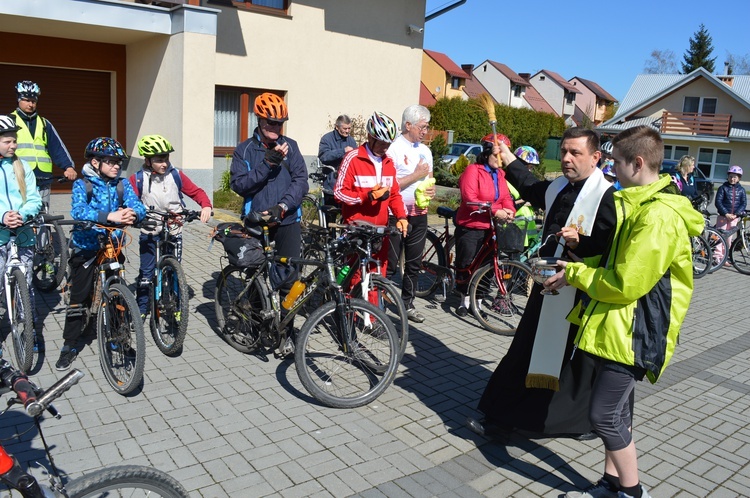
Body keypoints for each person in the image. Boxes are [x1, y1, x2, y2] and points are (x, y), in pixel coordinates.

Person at [552, 125, 704, 498]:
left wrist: (574, 272)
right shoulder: (639, 205)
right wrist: (577, 266)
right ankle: (612, 481)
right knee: (616, 414)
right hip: (616, 327)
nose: (611, 171)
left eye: (616, 163)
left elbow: (625, 284)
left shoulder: (657, 218)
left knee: (603, 415)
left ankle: (632, 492)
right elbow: (616, 263)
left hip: (636, 332)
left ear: (637, 163)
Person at [466, 127, 617, 439]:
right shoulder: (560, 187)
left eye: (575, 153)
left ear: (596, 157)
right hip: (548, 285)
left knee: (573, 363)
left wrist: (580, 243)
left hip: (578, 291)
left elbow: (609, 247)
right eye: (563, 151)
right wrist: (508, 159)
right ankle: (508, 416)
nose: (566, 158)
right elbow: (532, 186)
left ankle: (566, 422)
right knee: (528, 351)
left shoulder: (607, 196)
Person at [57, 137, 146, 371]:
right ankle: (70, 344)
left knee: (119, 291)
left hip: (112, 246)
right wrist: (109, 216)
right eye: (111, 161)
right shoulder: (83, 184)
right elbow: (78, 210)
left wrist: (132, 214)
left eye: (119, 162)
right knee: (80, 296)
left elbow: (138, 205)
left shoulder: (122, 184)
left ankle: (118, 338)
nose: (117, 166)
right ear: (96, 162)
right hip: (86, 246)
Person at [130, 134, 213, 318]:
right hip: (150, 229)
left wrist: (205, 205)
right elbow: (128, 202)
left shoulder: (176, 175)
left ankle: (175, 305)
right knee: (146, 272)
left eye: (166, 158)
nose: (164, 163)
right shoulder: (137, 179)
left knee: (174, 270)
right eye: (159, 160)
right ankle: (142, 308)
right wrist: (133, 216)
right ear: (148, 160)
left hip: (174, 227)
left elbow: (196, 192)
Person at [230, 93, 309, 285]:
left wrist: (283, 206)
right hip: (257, 220)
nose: (275, 127)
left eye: (279, 123)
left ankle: (283, 315)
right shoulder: (244, 150)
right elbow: (239, 185)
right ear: (259, 119)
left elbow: (301, 181)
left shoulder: (291, 146)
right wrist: (267, 164)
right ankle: (253, 311)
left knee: (288, 277)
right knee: (256, 278)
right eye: (271, 122)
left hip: (287, 218)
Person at [334, 111, 408, 276]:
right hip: (357, 230)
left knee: (376, 279)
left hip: (379, 232)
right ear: (370, 137)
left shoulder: (389, 162)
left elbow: (395, 194)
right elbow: (339, 193)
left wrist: (401, 217)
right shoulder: (353, 158)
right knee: (353, 279)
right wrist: (366, 196)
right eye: (382, 143)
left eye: (388, 144)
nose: (385, 148)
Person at [453, 135, 516, 317]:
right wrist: (496, 211)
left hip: (490, 227)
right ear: (488, 153)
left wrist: (510, 210)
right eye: (497, 155)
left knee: (488, 265)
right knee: (467, 263)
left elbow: (505, 197)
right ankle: (463, 300)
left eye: (502, 155)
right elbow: (470, 199)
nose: (500, 159)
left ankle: (477, 302)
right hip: (471, 224)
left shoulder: (500, 174)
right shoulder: (473, 171)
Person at [385, 104, 436, 323]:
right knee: (391, 264)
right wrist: (416, 175)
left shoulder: (425, 150)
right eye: (422, 127)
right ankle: (379, 306)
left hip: (419, 213)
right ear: (408, 125)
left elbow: (430, 178)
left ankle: (407, 303)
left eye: (427, 127)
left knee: (414, 264)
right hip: (396, 215)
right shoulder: (393, 148)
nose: (426, 131)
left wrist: (431, 188)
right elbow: (389, 185)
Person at [0, 115, 42, 349]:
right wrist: (3, 216)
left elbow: (34, 199)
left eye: (14, 141)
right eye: (7, 141)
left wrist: (22, 215)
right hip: (0, 236)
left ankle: (30, 330)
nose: (13, 145)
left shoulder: (22, 165)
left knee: (25, 287)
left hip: (23, 235)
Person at [10, 81, 76, 206]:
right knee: (19, 214)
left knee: (43, 217)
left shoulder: (44, 123)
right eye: (26, 100)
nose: (30, 104)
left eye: (33, 101)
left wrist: (68, 167)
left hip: (43, 179)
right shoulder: (10, 121)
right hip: (18, 177)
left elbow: (57, 148)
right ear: (18, 100)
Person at [318, 115, 357, 223]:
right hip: (332, 183)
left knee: (348, 215)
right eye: (345, 129)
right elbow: (323, 157)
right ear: (337, 127)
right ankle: (330, 236)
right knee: (331, 217)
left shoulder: (351, 141)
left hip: (347, 183)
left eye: (349, 128)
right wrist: (343, 151)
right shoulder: (327, 139)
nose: (347, 131)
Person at [713, 165, 747, 266]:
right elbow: (718, 202)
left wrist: (736, 214)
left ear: (739, 178)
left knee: (729, 238)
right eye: (731, 176)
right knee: (720, 236)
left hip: (734, 218)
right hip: (723, 216)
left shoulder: (741, 190)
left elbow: (743, 203)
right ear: (728, 177)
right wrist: (726, 213)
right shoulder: (723, 188)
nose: (732, 179)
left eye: (735, 177)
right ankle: (717, 256)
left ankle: (724, 257)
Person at [508, 145, 540, 248]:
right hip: (511, 232)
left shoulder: (525, 182)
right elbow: (508, 204)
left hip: (524, 234)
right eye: (528, 167)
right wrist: (524, 201)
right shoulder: (507, 181)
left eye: (532, 168)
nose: (529, 171)